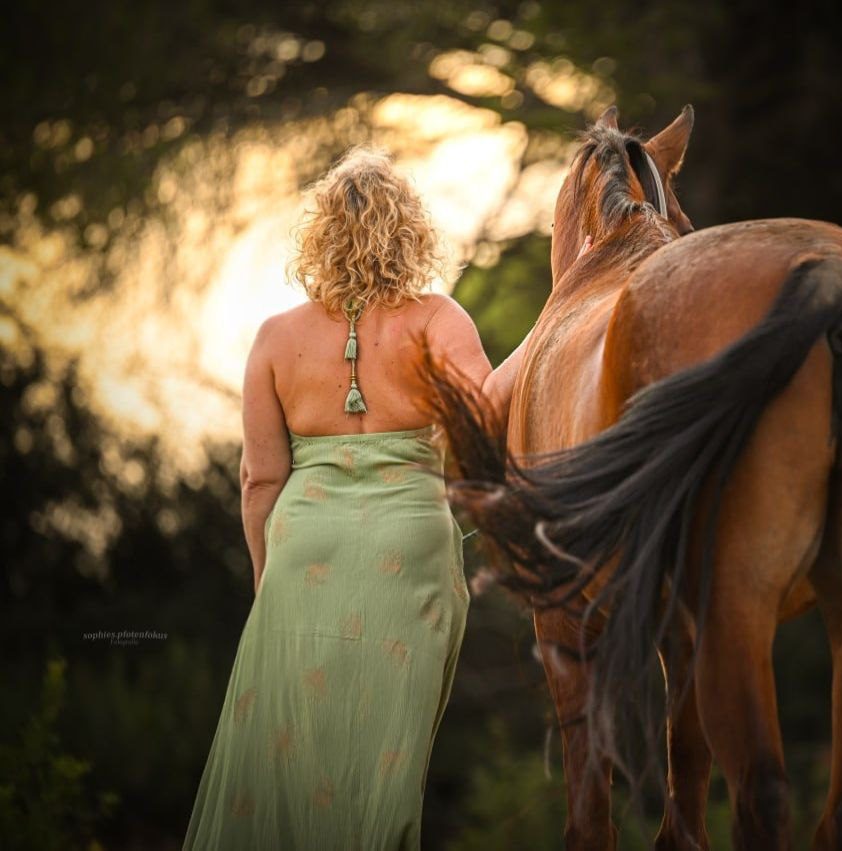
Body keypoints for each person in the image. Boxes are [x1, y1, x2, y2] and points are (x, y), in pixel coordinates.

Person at [182, 145, 589, 849]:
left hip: (302, 553)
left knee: (286, 753)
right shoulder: (437, 320)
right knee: (385, 757)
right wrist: (553, 316)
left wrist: (267, 578)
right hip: (407, 552)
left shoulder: (276, 339)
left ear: (320, 234)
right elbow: (486, 414)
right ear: (410, 230)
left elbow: (259, 480)